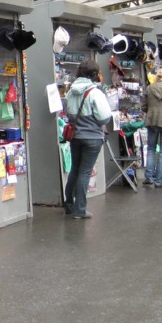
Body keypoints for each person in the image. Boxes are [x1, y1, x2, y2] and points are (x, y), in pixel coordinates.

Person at [63, 59, 112, 219]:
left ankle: (69, 205)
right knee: (84, 172)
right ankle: (80, 209)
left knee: (75, 170)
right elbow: (104, 118)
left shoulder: (70, 91)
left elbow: (68, 113)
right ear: (94, 74)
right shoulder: (95, 92)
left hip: (75, 136)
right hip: (92, 137)